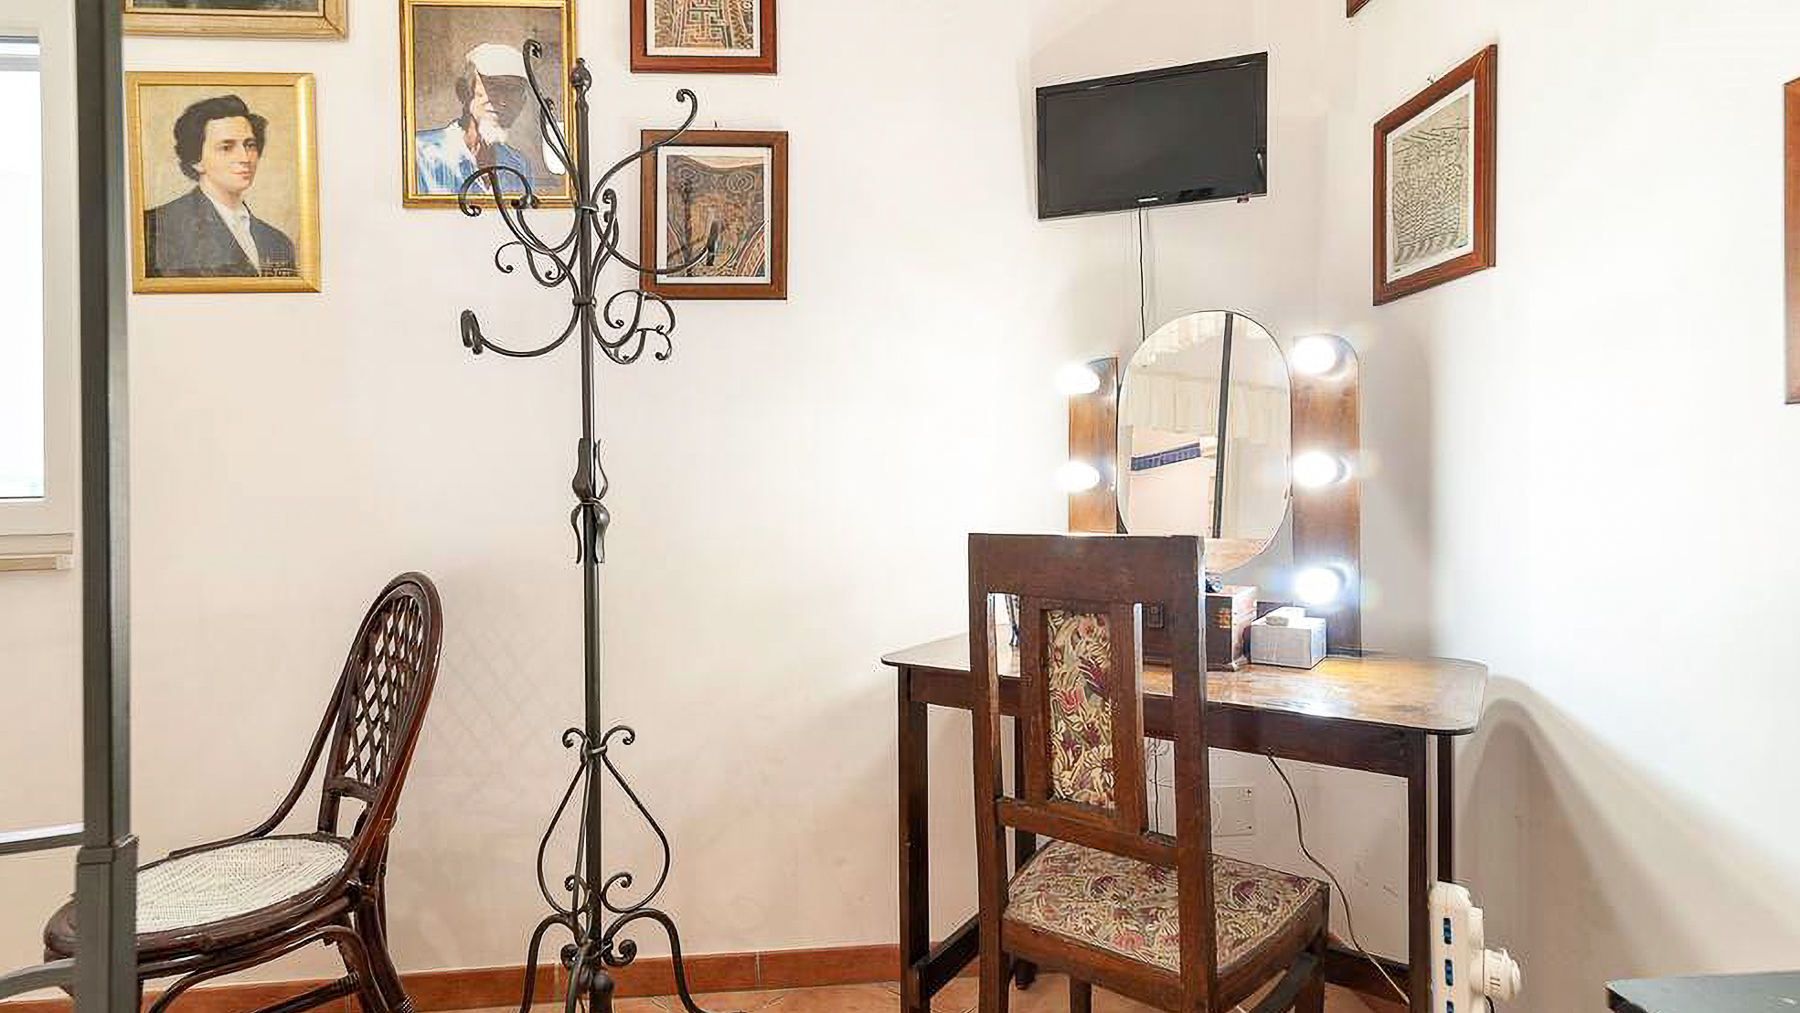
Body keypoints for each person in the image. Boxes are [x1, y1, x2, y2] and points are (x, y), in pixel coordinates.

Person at [144, 94, 296, 278]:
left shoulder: (278, 242)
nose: (245, 158)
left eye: (250, 145)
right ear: (196, 160)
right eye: (226, 147)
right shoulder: (156, 227)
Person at [414, 43, 536, 197]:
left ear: (522, 102)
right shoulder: (419, 153)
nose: (504, 101)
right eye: (494, 87)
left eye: (514, 90)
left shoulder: (518, 165)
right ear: (463, 91)